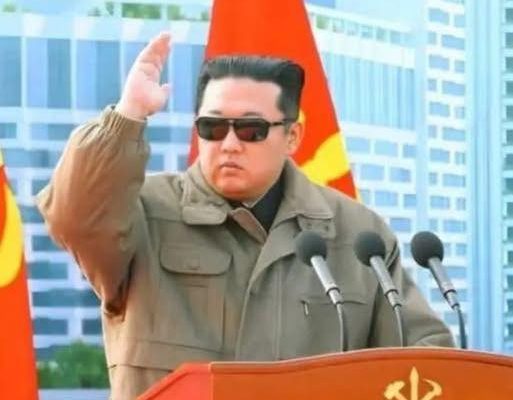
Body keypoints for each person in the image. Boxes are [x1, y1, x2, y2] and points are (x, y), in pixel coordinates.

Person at [36, 32, 453, 399]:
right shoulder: (144, 212)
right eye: (213, 128)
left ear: (292, 136)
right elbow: (74, 216)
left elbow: (424, 361)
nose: (230, 144)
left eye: (251, 130)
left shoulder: (357, 235)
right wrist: (128, 115)